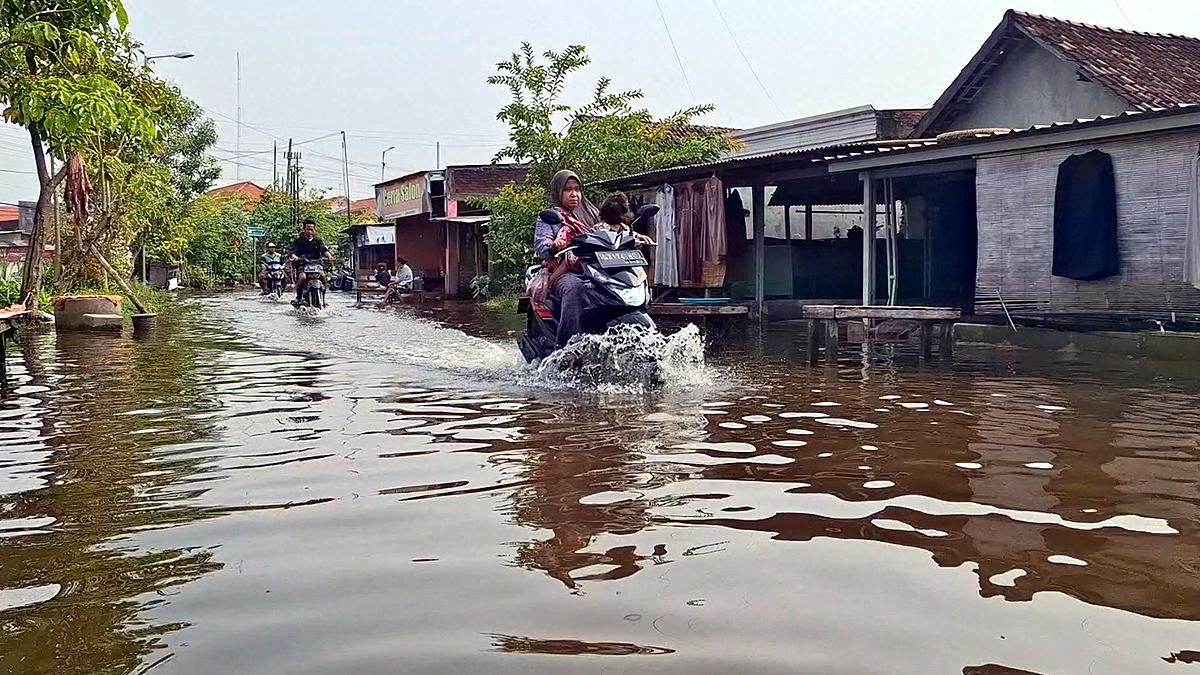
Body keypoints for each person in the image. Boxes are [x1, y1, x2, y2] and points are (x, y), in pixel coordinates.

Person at [289, 218, 332, 304]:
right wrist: (294, 256)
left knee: (323, 276)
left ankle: (323, 297)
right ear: (304, 229)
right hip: (303, 264)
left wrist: (329, 255)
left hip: (316, 264)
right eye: (308, 229)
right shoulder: (298, 241)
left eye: (312, 229)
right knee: (302, 278)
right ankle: (299, 296)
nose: (310, 231)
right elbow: (292, 251)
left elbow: (323, 250)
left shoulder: (318, 241)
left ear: (314, 230)